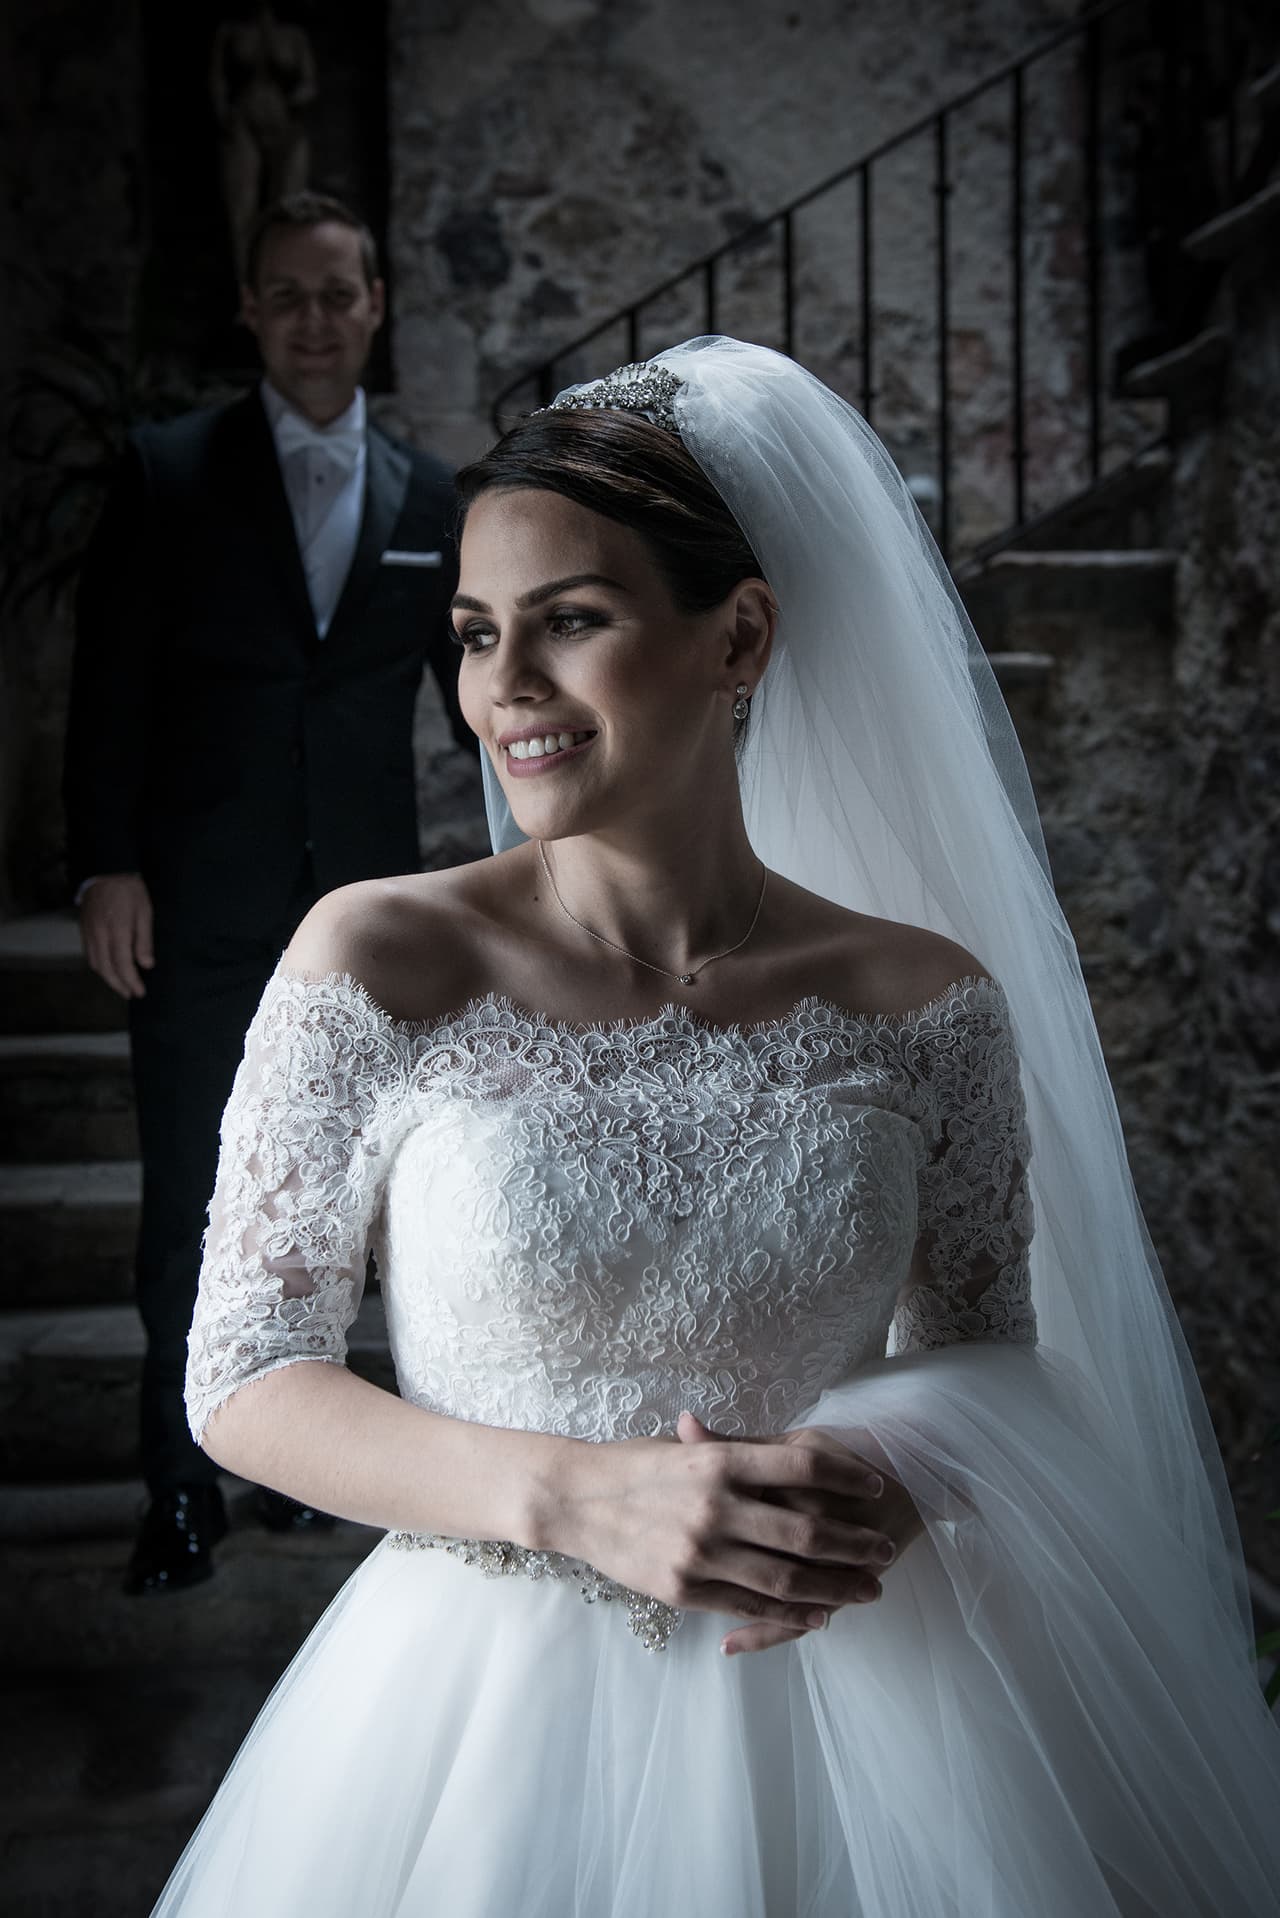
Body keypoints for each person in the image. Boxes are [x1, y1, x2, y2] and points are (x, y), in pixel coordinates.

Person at [153, 340, 1279, 1914]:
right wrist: (573, 1495)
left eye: (573, 622)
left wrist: (898, 1476)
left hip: (871, 1699)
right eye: (478, 635)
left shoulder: (926, 1000)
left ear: (737, 632)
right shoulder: (377, 958)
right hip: (485, 1708)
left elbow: (984, 1353)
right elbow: (244, 1375)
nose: (504, 692)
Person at [64, 189, 473, 1596]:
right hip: (195, 902)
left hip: (364, 918)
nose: (314, 320)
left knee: (339, 1201)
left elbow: (479, 703)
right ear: (252, 312)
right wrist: (105, 863)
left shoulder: (435, 498)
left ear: (376, 308)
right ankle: (179, 1485)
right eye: (286, 296)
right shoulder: (169, 470)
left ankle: (306, 1460)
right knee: (192, 1190)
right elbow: (109, 681)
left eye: (337, 294)